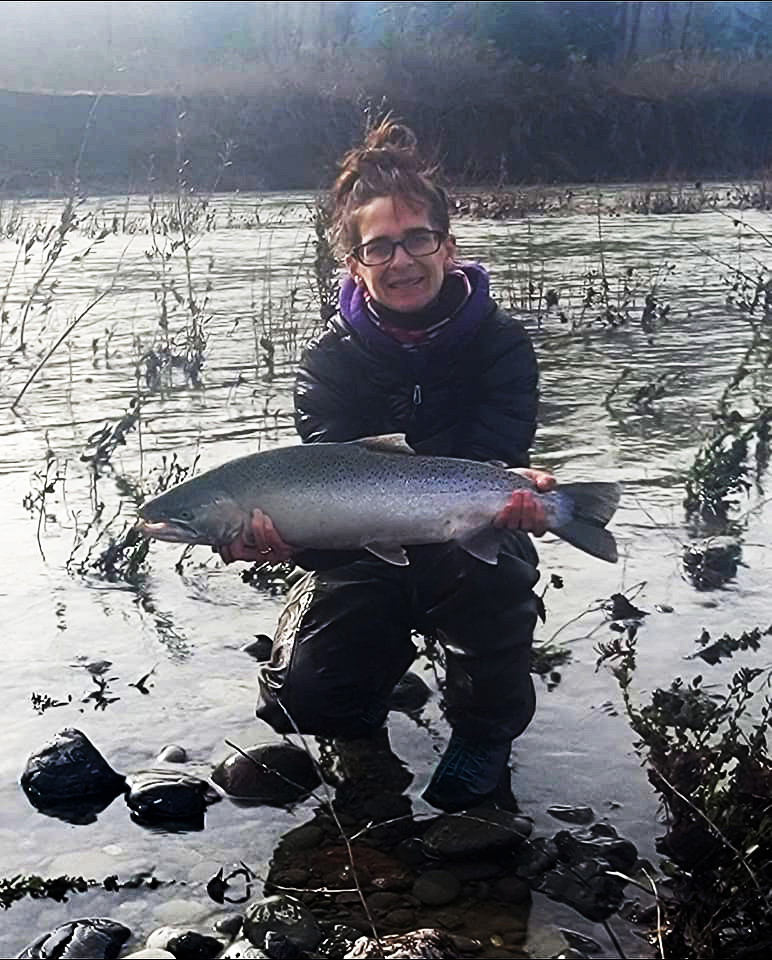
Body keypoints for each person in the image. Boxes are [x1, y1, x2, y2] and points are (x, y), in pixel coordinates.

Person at [219, 119, 555, 813]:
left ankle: (484, 732)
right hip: (366, 551)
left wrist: (516, 492)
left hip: (465, 533)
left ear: (448, 246)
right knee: (303, 698)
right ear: (355, 265)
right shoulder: (327, 365)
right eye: (379, 247)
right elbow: (324, 506)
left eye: (417, 239)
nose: (401, 260)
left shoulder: (501, 345)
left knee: (492, 571)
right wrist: (283, 540)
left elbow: (501, 456)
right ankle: (364, 716)